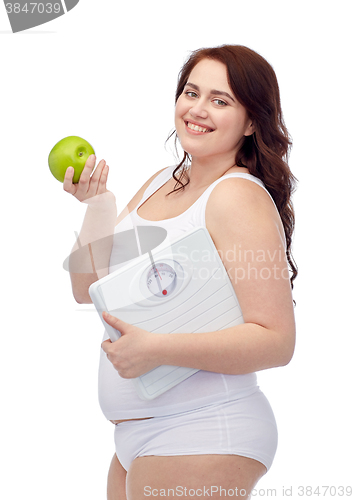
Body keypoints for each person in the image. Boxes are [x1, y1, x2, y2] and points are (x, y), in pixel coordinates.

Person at [64, 45, 297, 500]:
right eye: (192, 92)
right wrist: (98, 205)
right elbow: (86, 288)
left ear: (251, 122)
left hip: (205, 428)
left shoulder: (236, 198)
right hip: (138, 440)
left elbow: (277, 340)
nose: (198, 109)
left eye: (221, 100)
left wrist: (157, 350)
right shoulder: (160, 183)